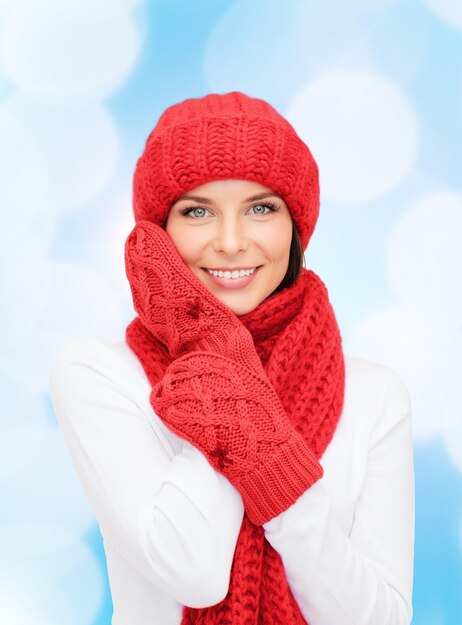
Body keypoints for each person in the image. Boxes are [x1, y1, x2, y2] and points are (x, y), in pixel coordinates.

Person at [49, 91, 415, 625]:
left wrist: (275, 471)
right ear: (158, 233)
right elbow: (193, 572)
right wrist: (219, 360)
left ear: (295, 226)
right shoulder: (99, 374)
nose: (230, 241)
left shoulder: (375, 394)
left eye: (261, 208)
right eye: (197, 211)